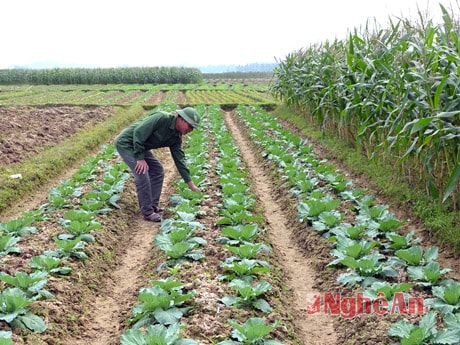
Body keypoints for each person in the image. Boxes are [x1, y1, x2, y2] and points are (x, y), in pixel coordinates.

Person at [114, 107, 201, 222]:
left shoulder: (176, 138)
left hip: (141, 146)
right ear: (181, 119)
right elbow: (139, 132)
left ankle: (152, 206)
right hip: (127, 143)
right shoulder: (161, 118)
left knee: (157, 170)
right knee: (142, 172)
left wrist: (191, 184)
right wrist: (139, 158)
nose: (190, 130)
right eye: (190, 126)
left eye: (193, 128)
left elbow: (179, 160)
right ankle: (147, 212)